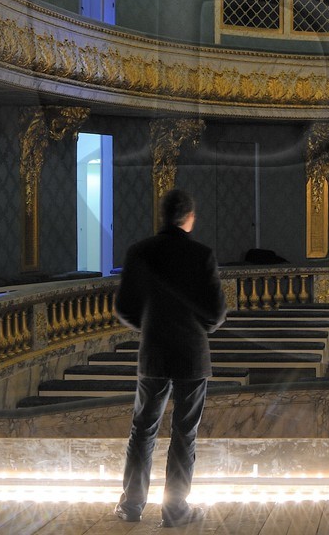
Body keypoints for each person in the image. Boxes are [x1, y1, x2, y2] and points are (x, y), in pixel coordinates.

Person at [114, 188, 227, 527]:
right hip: (192, 354)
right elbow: (216, 312)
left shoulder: (139, 253)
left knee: (143, 430)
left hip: (154, 353)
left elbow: (123, 308)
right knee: (184, 433)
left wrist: (149, 325)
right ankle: (175, 511)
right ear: (189, 218)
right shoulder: (201, 254)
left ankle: (132, 506)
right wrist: (196, 328)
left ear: (161, 216)